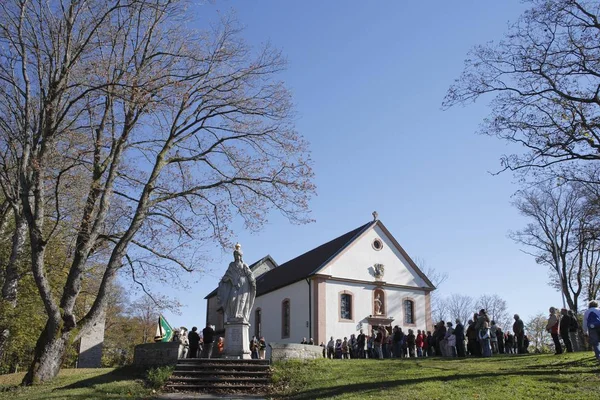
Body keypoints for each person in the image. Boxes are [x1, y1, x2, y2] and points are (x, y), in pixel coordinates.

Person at [583, 300, 600, 364]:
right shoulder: (598, 310)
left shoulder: (587, 312)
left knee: (595, 343)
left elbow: (585, 322)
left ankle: (598, 356)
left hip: (591, 327)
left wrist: (585, 332)